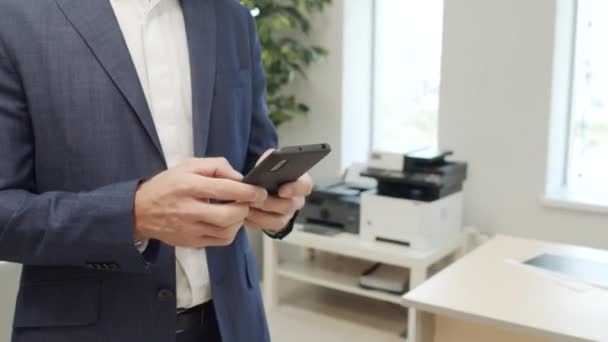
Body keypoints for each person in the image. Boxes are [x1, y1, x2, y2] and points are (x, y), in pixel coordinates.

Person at [0, 0, 312, 341]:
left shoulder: (233, 18)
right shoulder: (15, 18)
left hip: (232, 324)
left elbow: (256, 155)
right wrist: (132, 215)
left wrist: (279, 206)